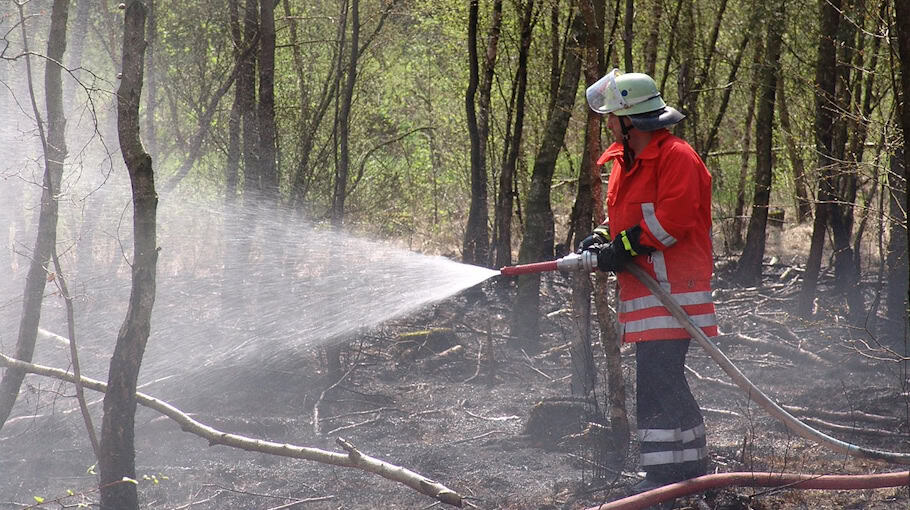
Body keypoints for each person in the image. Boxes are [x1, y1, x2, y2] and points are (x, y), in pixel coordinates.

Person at [580, 69, 718, 495]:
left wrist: (621, 248)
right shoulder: (625, 162)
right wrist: (604, 236)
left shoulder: (677, 156)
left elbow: (673, 220)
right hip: (646, 293)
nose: (606, 123)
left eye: (611, 116)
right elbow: (626, 217)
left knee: (660, 382)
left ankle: (668, 480)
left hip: (674, 290)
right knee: (660, 382)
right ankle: (681, 477)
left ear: (630, 118)